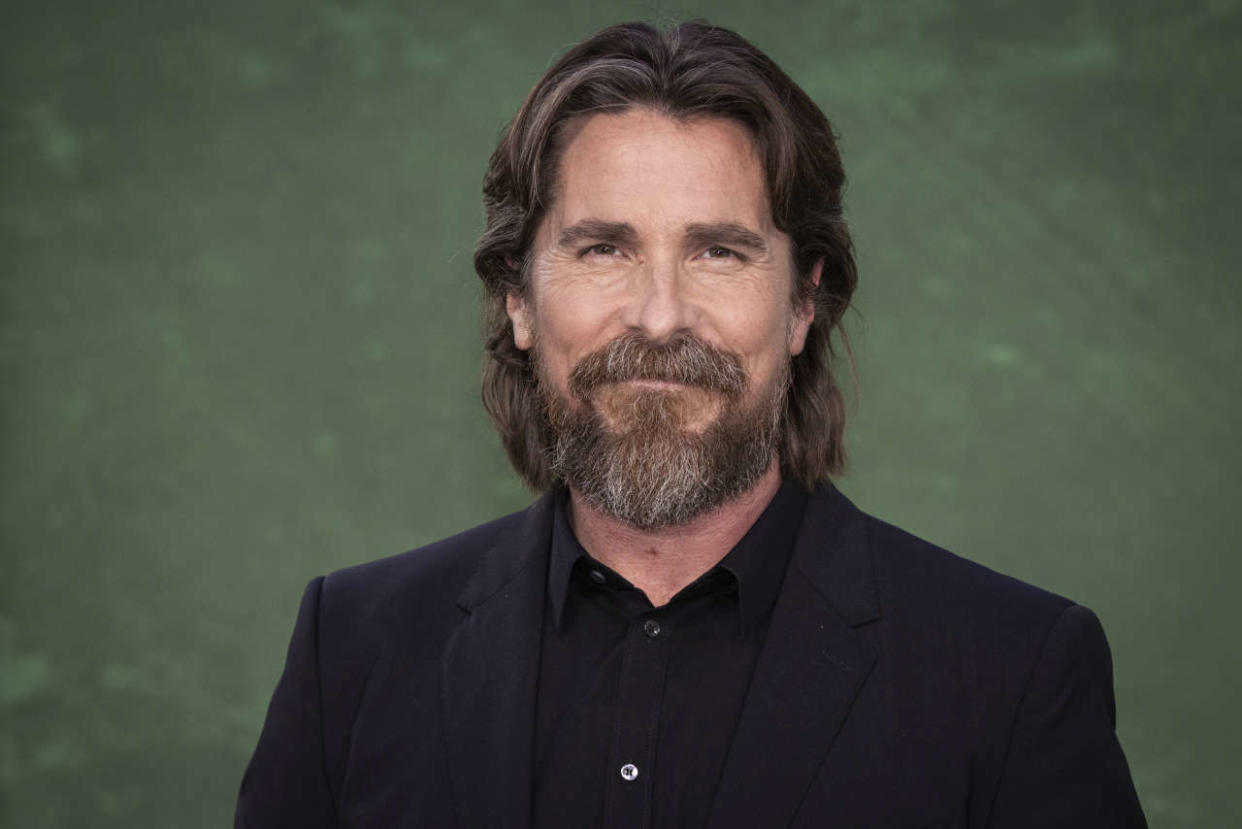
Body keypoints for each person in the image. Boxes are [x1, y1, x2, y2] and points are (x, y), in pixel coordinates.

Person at [236, 20, 1146, 828]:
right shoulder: (350, 651)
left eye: (719, 251)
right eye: (604, 248)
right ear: (518, 296)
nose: (661, 316)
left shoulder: (1013, 672)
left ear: (802, 305)